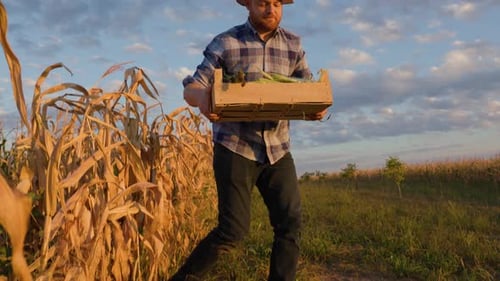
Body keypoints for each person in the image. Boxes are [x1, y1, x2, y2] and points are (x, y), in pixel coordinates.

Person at [169, 0, 327, 280]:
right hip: (235, 147)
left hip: (278, 149)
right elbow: (192, 87)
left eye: (277, 3)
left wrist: (316, 106)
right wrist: (203, 98)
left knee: (290, 223)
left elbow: (307, 86)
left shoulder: (293, 44)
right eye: (263, 3)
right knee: (232, 231)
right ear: (248, 6)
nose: (271, 9)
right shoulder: (226, 42)